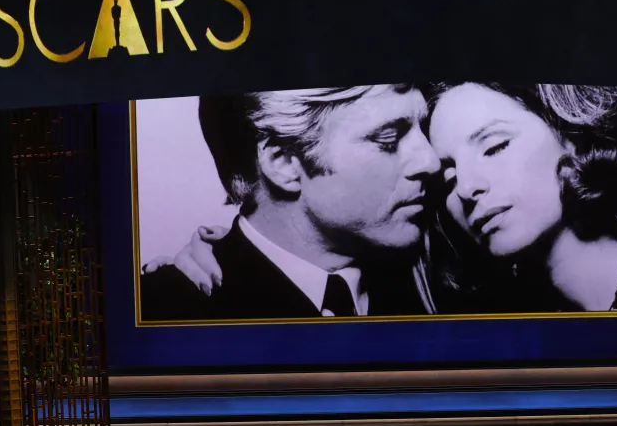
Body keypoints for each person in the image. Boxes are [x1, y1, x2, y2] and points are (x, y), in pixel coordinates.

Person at [149, 83, 617, 315]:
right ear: (282, 163)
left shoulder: (426, 287)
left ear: (570, 136)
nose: (439, 176)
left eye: (493, 146)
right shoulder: (177, 299)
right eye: (390, 139)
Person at [139, 85, 441, 321]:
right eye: (388, 139)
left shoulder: (437, 286)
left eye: (424, 131)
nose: (430, 161)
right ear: (282, 162)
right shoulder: (164, 311)